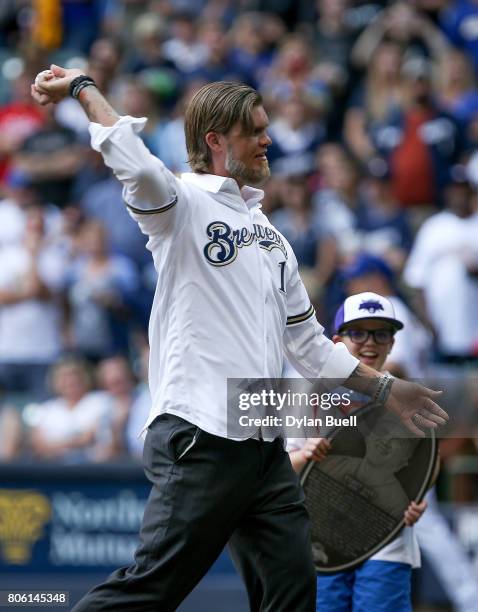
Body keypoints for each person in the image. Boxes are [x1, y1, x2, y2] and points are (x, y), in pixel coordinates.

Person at [32, 65, 447, 611]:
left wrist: (387, 389)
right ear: (216, 141)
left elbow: (312, 348)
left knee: (292, 594)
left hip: (260, 442)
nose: (268, 139)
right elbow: (134, 162)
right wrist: (85, 89)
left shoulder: (274, 239)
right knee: (149, 590)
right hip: (200, 434)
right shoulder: (181, 206)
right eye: (255, 130)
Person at [288, 291, 428, 612]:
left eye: (381, 333)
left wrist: (417, 504)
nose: (370, 343)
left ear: (392, 343)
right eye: (358, 332)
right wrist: (305, 455)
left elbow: (416, 476)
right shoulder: (306, 392)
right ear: (336, 341)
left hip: (385, 539)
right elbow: (278, 469)